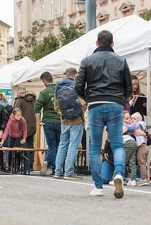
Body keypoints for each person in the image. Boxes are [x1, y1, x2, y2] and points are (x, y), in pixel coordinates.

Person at [75, 30, 133, 198]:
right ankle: (119, 174)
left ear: (97, 43)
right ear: (112, 44)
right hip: (115, 104)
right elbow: (129, 87)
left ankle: (98, 186)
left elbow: (78, 85)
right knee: (117, 144)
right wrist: (119, 99)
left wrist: (88, 98)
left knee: (94, 148)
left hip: (95, 105)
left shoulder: (87, 61)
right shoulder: (121, 61)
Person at [54, 68, 87, 180]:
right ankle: (68, 172)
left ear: (66, 74)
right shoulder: (76, 86)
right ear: (75, 75)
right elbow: (82, 104)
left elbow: (56, 106)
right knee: (73, 146)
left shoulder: (58, 86)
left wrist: (62, 115)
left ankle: (58, 171)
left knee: (62, 145)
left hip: (64, 121)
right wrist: (83, 119)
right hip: (76, 120)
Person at [34, 72, 61, 176]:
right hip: (59, 121)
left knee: (52, 146)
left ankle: (53, 167)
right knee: (59, 146)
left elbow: (37, 107)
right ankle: (53, 165)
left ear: (45, 81)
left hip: (48, 122)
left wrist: (38, 120)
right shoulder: (60, 90)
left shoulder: (44, 92)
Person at [14, 86, 36, 169]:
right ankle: (30, 165)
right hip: (32, 126)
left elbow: (17, 114)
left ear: (19, 92)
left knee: (24, 146)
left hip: (23, 127)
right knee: (31, 146)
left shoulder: (19, 100)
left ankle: (25, 165)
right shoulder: (33, 99)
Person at [0, 108, 27, 172]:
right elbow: (6, 130)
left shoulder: (23, 120)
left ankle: (18, 165)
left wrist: (24, 138)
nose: (19, 117)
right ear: (14, 115)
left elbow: (25, 129)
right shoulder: (11, 121)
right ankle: (9, 165)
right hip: (12, 136)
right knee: (10, 150)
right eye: (17, 116)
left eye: (20, 116)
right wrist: (3, 140)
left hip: (19, 136)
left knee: (18, 151)